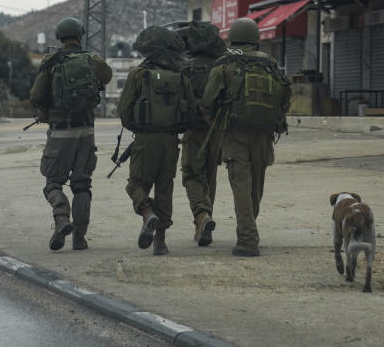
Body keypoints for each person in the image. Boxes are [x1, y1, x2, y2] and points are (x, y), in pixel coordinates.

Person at [200, 18, 290, 257]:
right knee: (255, 189)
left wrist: (219, 124)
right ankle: (248, 229)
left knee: (241, 187)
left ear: (233, 39)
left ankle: (248, 240)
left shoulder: (225, 63)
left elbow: (207, 102)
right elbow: (284, 97)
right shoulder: (269, 63)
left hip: (234, 134)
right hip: (264, 135)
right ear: (256, 39)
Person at [29, 17, 113, 251]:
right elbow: (107, 76)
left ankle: (61, 217)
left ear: (60, 37)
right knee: (82, 185)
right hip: (86, 132)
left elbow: (36, 95)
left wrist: (45, 111)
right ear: (80, 35)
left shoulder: (51, 62)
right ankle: (79, 237)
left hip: (60, 133)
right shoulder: (91, 61)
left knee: (53, 183)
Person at [117, 26, 195, 256]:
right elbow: (191, 111)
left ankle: (147, 214)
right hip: (171, 141)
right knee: (165, 187)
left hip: (145, 139)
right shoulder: (181, 76)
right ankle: (160, 242)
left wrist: (141, 128)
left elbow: (124, 111)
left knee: (135, 184)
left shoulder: (138, 74)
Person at [176, 21, 226, 246]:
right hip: (218, 131)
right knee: (209, 178)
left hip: (194, 130)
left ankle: (202, 215)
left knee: (191, 176)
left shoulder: (185, 67)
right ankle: (203, 225)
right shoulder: (223, 66)